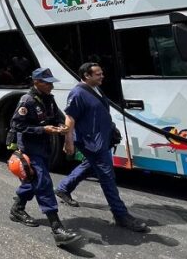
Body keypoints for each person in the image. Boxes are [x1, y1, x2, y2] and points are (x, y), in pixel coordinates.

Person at [58, 62, 148, 232]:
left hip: (101, 140)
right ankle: (121, 215)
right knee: (107, 176)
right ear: (87, 76)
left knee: (90, 165)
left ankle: (64, 187)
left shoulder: (97, 89)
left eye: (101, 73)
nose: (102, 76)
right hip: (92, 143)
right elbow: (70, 118)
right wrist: (68, 141)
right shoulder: (77, 93)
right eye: (98, 74)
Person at [8, 67, 81, 247]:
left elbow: (57, 116)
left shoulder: (49, 99)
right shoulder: (27, 100)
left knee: (33, 180)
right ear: (36, 82)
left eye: (51, 83)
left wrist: (60, 127)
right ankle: (57, 228)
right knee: (43, 182)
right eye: (47, 83)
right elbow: (16, 125)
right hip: (30, 149)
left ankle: (17, 209)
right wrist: (43, 129)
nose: (51, 86)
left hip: (44, 148)